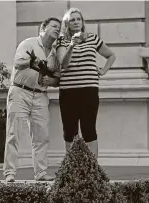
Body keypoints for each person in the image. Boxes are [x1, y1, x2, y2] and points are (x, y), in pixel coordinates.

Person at [3, 17, 61, 182]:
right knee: (13, 132)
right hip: (20, 91)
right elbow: (17, 62)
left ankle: (41, 173)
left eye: (59, 27)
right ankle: (10, 173)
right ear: (42, 28)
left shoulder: (56, 55)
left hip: (41, 95)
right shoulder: (28, 43)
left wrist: (51, 81)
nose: (57, 29)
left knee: (42, 135)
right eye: (54, 26)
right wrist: (34, 62)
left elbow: (58, 79)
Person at [56, 8, 116, 157]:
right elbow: (64, 64)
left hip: (89, 90)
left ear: (82, 22)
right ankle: (72, 168)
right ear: (67, 24)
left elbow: (111, 55)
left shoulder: (92, 38)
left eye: (78, 19)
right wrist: (71, 45)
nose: (76, 22)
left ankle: (92, 168)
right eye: (72, 20)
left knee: (89, 129)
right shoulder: (61, 41)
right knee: (70, 130)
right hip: (68, 91)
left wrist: (103, 71)